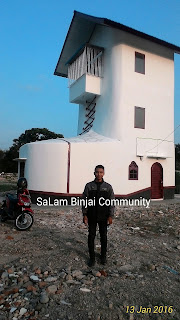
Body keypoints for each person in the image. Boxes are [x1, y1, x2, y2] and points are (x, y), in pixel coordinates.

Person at [82, 165, 115, 267]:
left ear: (103, 173)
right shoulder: (89, 186)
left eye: (101, 172)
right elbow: (84, 201)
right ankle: (92, 258)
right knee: (91, 236)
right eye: (97, 172)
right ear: (94, 173)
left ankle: (103, 257)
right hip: (92, 215)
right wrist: (84, 214)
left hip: (103, 216)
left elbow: (111, 202)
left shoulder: (108, 187)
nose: (99, 174)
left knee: (103, 237)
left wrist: (110, 216)